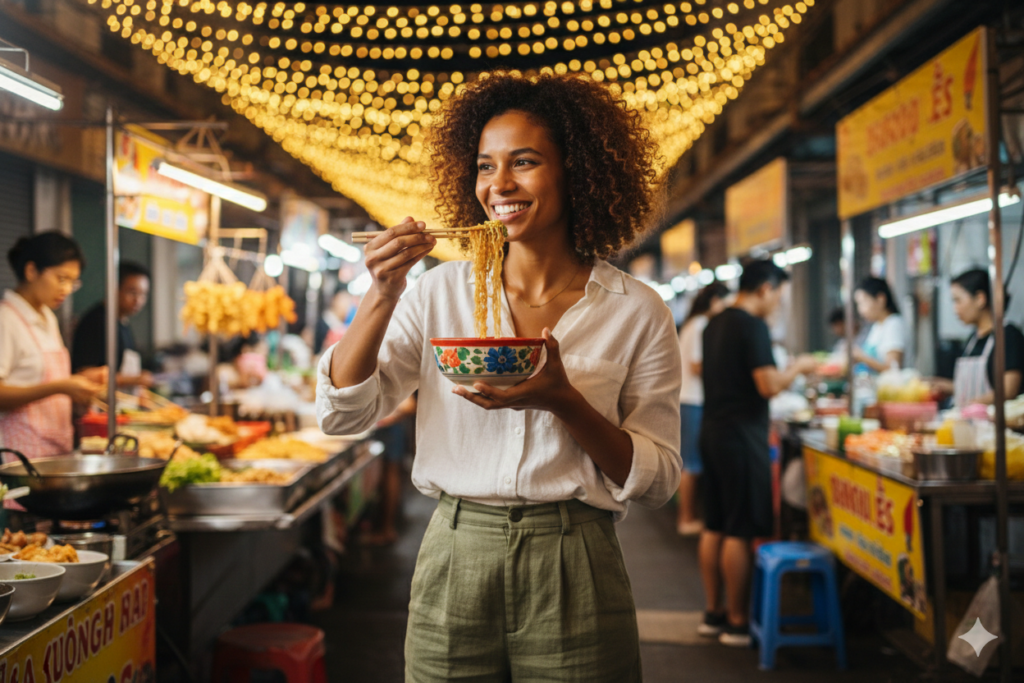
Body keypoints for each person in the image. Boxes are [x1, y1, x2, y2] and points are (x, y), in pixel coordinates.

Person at [317, 73, 681, 681]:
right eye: (485, 167)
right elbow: (342, 415)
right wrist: (380, 295)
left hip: (577, 555)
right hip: (456, 547)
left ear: (578, 171)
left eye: (525, 162)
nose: (499, 185)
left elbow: (657, 480)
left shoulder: (635, 309)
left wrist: (566, 402)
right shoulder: (436, 293)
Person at [697, 260, 818, 646]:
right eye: (779, 295)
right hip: (741, 438)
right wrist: (798, 367)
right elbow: (767, 385)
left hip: (713, 430)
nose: (778, 304)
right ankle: (736, 622)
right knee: (740, 528)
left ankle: (713, 613)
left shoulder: (714, 322)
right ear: (765, 288)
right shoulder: (752, 326)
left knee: (714, 525)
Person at [0, 232, 106, 458]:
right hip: (20, 454)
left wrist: (84, 380)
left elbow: (46, 377)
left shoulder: (47, 316)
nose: (67, 289)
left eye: (73, 282)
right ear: (31, 271)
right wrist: (60, 387)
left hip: (55, 450)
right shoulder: (6, 319)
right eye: (61, 278)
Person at [676, 282, 730, 536]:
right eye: (723, 303)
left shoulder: (692, 324)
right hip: (693, 400)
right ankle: (686, 518)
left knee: (692, 461)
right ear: (714, 301)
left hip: (691, 400)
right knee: (692, 463)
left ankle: (689, 515)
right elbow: (698, 366)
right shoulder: (698, 326)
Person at [932, 269, 1023, 404]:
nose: (955, 309)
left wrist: (973, 405)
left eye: (958, 300)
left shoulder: (1008, 336)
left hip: (994, 424)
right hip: (968, 422)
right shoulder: (972, 340)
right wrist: (945, 386)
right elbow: (971, 389)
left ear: (980, 299)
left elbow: (1008, 391)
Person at [71, 261, 153, 387]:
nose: (138, 300)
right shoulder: (96, 322)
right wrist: (132, 380)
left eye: (143, 294)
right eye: (132, 292)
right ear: (114, 288)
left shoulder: (123, 322)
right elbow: (83, 373)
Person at [853, 277, 905, 372]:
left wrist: (861, 357)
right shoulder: (877, 326)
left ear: (880, 299)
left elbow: (892, 369)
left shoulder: (894, 324)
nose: (860, 310)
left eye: (863, 303)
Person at [315, 290, 356, 355]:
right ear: (335, 301)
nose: (346, 306)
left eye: (348, 303)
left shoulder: (346, 324)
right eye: (343, 302)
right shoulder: (325, 322)